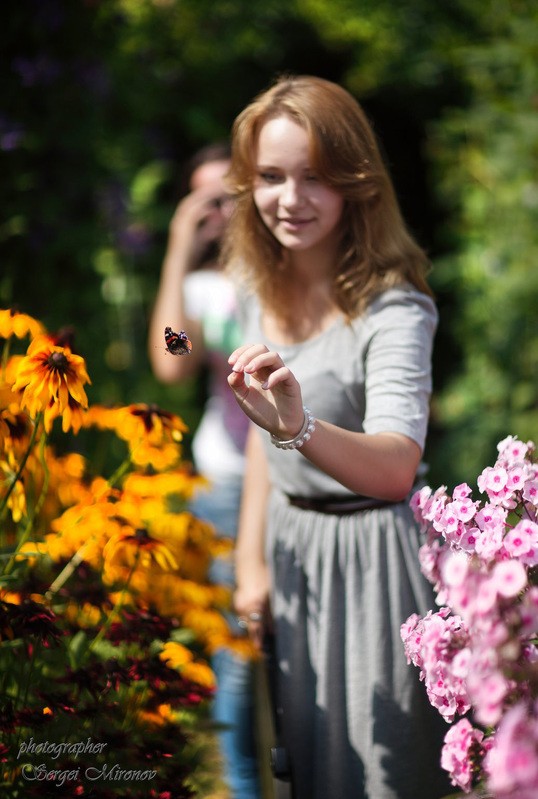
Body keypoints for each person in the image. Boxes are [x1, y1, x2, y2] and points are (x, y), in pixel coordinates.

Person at [222, 75, 450, 799]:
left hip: (374, 565)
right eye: (271, 176)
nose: (291, 199)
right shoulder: (255, 285)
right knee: (303, 770)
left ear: (357, 183)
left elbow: (394, 468)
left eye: (315, 177)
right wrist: (249, 558)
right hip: (291, 558)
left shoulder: (396, 307)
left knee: (377, 774)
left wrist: (303, 426)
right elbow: (260, 435)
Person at [148, 143, 261, 799]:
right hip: (224, 480)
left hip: (295, 473)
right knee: (237, 654)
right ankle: (246, 785)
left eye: (229, 195)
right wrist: (176, 252)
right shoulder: (195, 291)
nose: (219, 211)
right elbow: (173, 359)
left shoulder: (283, 269)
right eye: (205, 200)